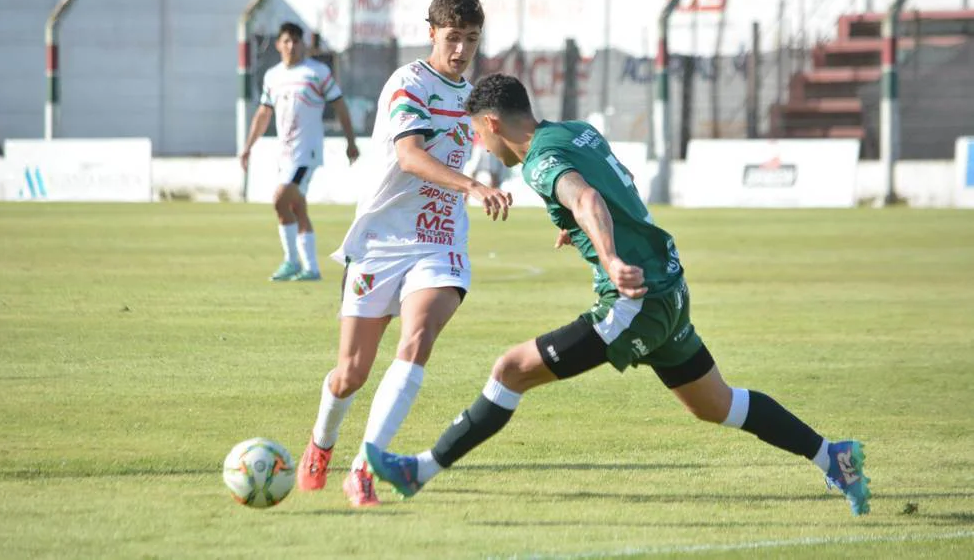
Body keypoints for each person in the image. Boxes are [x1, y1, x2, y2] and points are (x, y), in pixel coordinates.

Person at [364, 73, 872, 517]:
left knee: (509, 370)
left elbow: (585, 196)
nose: (480, 145)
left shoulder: (540, 161)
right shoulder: (577, 131)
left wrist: (608, 255)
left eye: (477, 133)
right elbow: (617, 185)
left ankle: (419, 471)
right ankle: (834, 457)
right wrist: (579, 230)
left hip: (634, 300)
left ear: (491, 124)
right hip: (669, 286)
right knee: (714, 404)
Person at [295, 0, 513, 507]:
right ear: (432, 33)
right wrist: (474, 186)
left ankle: (365, 465)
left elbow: (520, 146)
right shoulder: (410, 83)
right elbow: (411, 157)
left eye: (472, 40)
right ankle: (321, 444)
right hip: (381, 242)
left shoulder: (477, 99)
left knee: (417, 339)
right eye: (453, 37)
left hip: (440, 242)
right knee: (351, 374)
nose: (461, 50)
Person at [240, 21, 359, 282]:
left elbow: (340, 106)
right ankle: (310, 268)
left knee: (280, 198)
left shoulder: (316, 72)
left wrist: (351, 141)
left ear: (303, 43)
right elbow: (263, 113)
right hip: (285, 154)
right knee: (294, 207)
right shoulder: (272, 76)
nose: (292, 45)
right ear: (278, 44)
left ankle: (292, 261)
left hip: (307, 153)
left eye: (296, 40)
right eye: (287, 40)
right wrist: (248, 147)